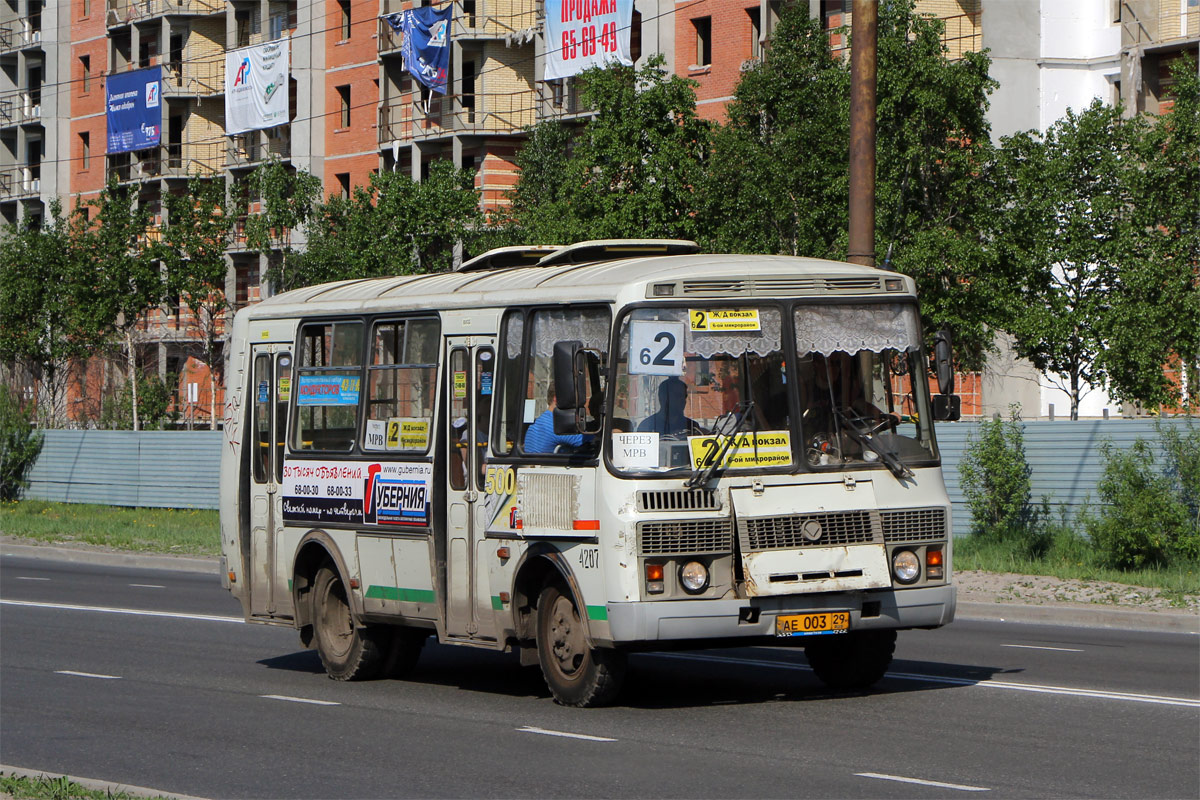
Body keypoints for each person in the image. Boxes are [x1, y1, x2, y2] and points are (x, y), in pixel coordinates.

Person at [523, 385, 585, 454]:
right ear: (556, 399)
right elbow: (586, 440)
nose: (575, 404)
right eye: (570, 399)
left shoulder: (540, 421)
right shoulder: (557, 425)